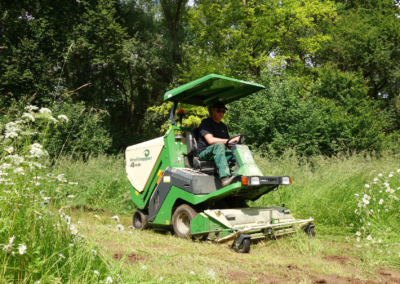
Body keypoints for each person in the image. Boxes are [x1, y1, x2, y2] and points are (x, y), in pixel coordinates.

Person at [197, 101, 240, 187]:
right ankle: (225, 178)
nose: (221, 113)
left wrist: (237, 142)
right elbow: (210, 140)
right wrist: (229, 140)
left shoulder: (223, 126)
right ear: (213, 110)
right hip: (205, 153)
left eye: (223, 111)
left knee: (242, 151)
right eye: (219, 111)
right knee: (219, 145)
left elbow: (228, 144)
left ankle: (241, 175)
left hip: (219, 153)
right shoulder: (206, 123)